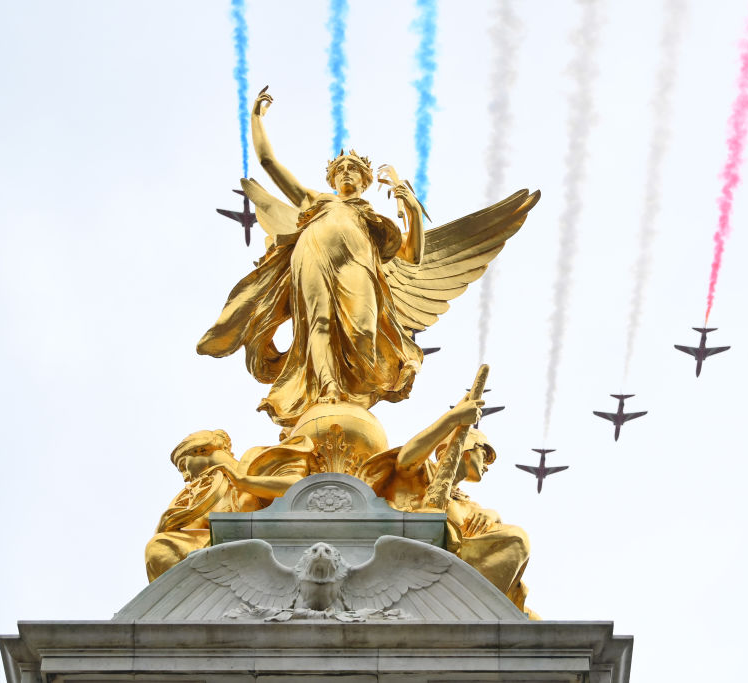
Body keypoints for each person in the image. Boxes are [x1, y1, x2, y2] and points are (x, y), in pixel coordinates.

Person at [197, 87, 425, 426]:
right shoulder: (316, 200)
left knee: (363, 331)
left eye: (353, 169)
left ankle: (355, 391)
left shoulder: (372, 219)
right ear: (332, 178)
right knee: (317, 325)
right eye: (341, 169)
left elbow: (413, 255)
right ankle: (329, 388)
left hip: (358, 267)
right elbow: (268, 163)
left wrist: (413, 209)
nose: (346, 173)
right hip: (313, 258)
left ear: (365, 180)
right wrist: (256, 120)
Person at [361, 399, 532, 612]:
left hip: (453, 572)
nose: (487, 465)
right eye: (484, 454)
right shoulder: (426, 472)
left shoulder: (467, 502)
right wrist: (453, 419)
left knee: (517, 543)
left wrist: (493, 515)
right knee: (517, 538)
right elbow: (405, 460)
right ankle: (473, 612)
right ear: (467, 450)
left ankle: (476, 612)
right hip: (416, 569)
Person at [144, 429, 308, 581]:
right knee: (159, 547)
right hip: (221, 550)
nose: (186, 476)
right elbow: (182, 534)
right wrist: (165, 524)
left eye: (183, 466)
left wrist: (242, 481)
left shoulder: (255, 459)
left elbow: (298, 487)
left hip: (274, 541)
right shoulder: (197, 495)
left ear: (201, 451)